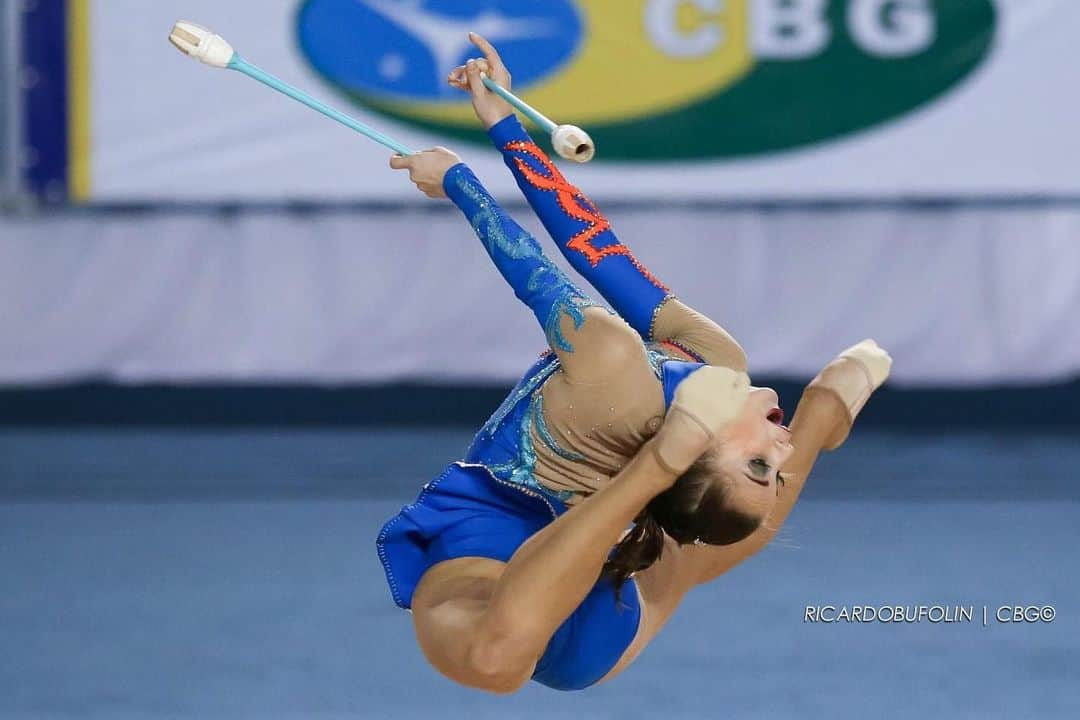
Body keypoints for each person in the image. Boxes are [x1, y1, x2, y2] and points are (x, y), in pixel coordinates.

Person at [378, 34, 892, 694]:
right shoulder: (717, 361)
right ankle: (828, 407)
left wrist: (455, 179)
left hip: (502, 544)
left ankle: (759, 446)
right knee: (703, 545)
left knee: (493, 658)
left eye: (761, 460)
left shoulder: (613, 369)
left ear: (692, 446)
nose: (779, 443)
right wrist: (500, 121)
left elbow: (535, 272)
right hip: (621, 536)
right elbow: (597, 248)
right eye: (775, 466)